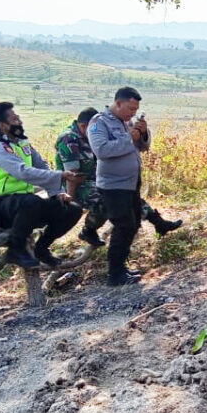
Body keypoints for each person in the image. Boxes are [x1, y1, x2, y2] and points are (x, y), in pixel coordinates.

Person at [55, 108, 181, 246]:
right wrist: (70, 201)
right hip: (77, 185)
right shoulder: (69, 139)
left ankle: (159, 223)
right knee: (107, 203)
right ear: (84, 126)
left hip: (97, 180)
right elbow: (72, 175)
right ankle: (88, 230)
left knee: (127, 196)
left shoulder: (97, 133)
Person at [0, 102, 83, 268]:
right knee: (31, 201)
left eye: (19, 117)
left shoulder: (23, 144)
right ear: (2, 125)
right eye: (14, 119)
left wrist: (56, 192)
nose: (20, 122)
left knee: (72, 209)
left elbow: (42, 166)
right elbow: (23, 172)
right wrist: (60, 175)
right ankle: (16, 249)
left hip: (24, 205)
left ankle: (42, 248)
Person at [87, 87, 151, 286]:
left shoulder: (127, 123)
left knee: (133, 225)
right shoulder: (99, 122)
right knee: (124, 226)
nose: (132, 113)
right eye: (130, 108)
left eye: (136, 110)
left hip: (131, 183)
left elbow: (142, 147)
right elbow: (102, 150)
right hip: (113, 185)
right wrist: (128, 138)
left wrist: (143, 133)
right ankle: (115, 274)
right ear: (119, 103)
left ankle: (121, 268)